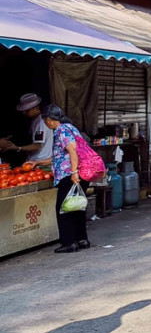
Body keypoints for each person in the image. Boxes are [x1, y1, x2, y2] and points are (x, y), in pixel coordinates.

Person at [41, 105, 91, 253]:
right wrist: (39, 162)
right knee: (77, 206)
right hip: (77, 173)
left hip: (69, 175)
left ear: (49, 120)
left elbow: (73, 150)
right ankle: (82, 239)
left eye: (45, 120)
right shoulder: (70, 127)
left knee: (63, 208)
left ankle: (69, 242)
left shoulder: (62, 130)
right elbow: (60, 155)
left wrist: (74, 172)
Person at [0, 93, 54, 166]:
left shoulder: (41, 123)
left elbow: (37, 146)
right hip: (34, 160)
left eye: (27, 110)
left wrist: (17, 148)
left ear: (36, 108)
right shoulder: (34, 120)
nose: (24, 112)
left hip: (40, 160)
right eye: (23, 110)